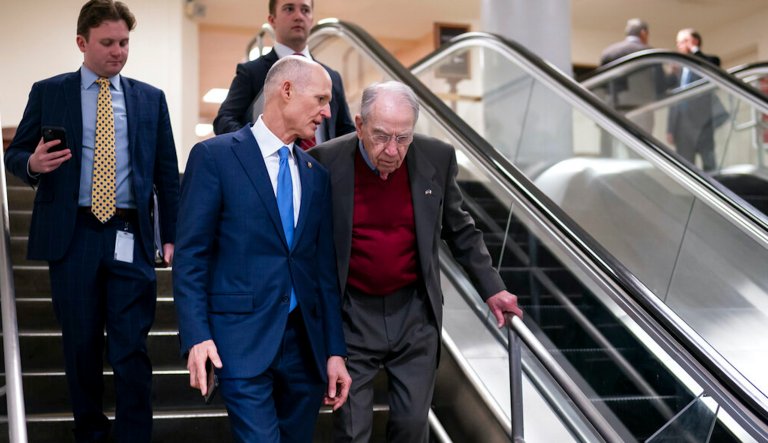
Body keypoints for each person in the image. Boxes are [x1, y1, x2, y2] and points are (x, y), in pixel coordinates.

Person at [3, 1, 180, 441]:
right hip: (73, 235)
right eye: (107, 43)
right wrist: (34, 165)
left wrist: (172, 236)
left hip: (129, 233)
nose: (118, 51)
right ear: (82, 42)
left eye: (123, 42)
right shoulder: (50, 91)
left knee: (131, 346)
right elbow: (15, 153)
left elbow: (166, 173)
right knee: (80, 346)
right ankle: (90, 434)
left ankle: (134, 435)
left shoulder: (149, 99)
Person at [309, 81, 523, 443]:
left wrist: (493, 288)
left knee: (412, 427)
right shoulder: (324, 162)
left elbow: (461, 230)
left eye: (403, 138)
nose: (392, 150)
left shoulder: (435, 158)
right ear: (359, 125)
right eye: (380, 137)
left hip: (414, 314)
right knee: (350, 431)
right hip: (351, 315)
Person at [173, 55, 351, 442]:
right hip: (239, 340)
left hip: (304, 348)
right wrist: (196, 335)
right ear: (286, 91)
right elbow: (191, 257)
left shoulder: (315, 175)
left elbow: (322, 273)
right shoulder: (215, 157)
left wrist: (334, 351)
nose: (327, 112)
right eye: (321, 99)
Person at [212, 0, 355, 144]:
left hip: (321, 165)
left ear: (311, 20)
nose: (298, 16)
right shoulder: (252, 72)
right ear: (272, 20)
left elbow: (345, 131)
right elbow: (224, 120)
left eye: (305, 10)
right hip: (271, 163)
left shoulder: (331, 77)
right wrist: (256, 146)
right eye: (289, 9)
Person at [667, 28, 723, 171]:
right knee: (685, 167)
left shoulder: (708, 60)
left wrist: (695, 50)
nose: (679, 46)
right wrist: (670, 128)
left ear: (695, 41)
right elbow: (673, 101)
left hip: (703, 122)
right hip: (682, 126)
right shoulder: (678, 68)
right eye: (678, 43)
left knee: (709, 164)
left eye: (683, 41)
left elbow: (713, 67)